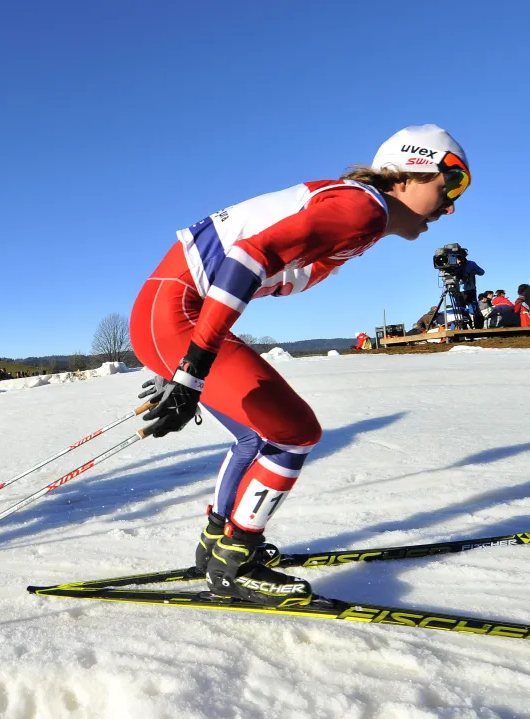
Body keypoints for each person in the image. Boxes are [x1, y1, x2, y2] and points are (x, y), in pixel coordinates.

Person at [129, 125, 470, 606]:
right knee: (295, 431)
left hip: (168, 312)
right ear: (408, 172)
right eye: (450, 185)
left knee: (258, 435)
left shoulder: (356, 212)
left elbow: (261, 260)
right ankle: (236, 562)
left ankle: (219, 542)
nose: (451, 205)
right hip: (179, 315)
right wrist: (192, 366)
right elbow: (249, 257)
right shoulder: (362, 208)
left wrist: (187, 360)